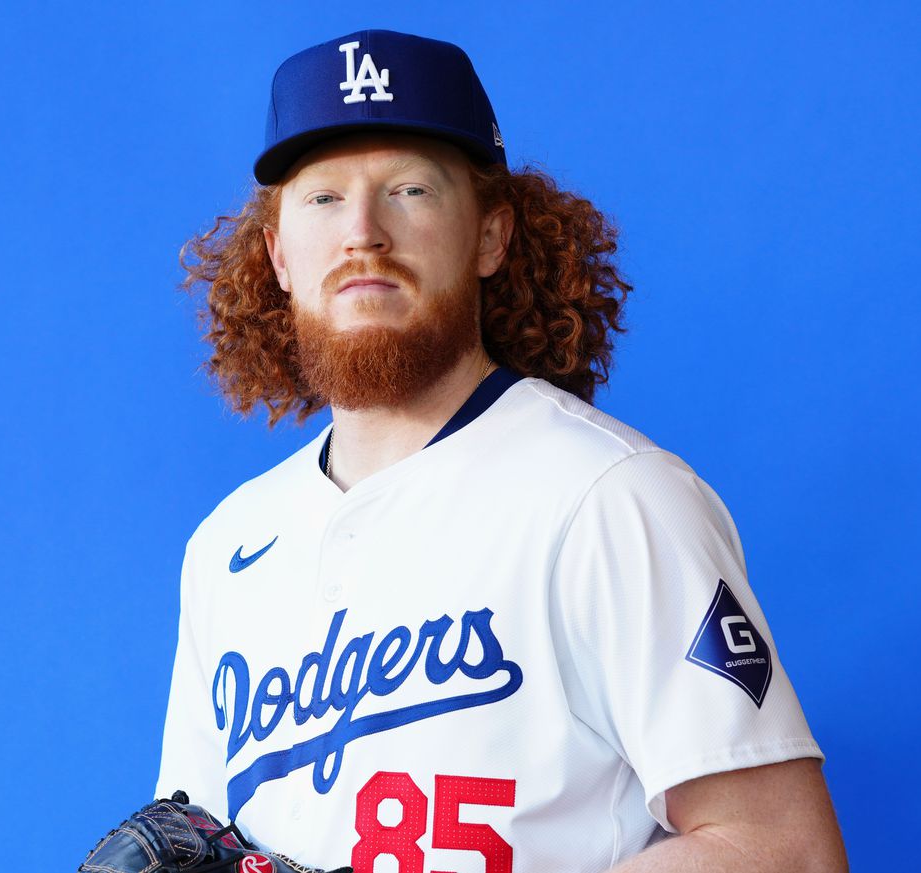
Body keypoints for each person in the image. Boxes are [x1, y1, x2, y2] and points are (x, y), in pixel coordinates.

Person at [157, 29, 848, 873]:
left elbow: (784, 850)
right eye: (323, 199)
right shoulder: (228, 546)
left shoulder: (609, 497)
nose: (363, 233)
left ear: (490, 235)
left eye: (409, 189)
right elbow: (196, 844)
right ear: (279, 257)